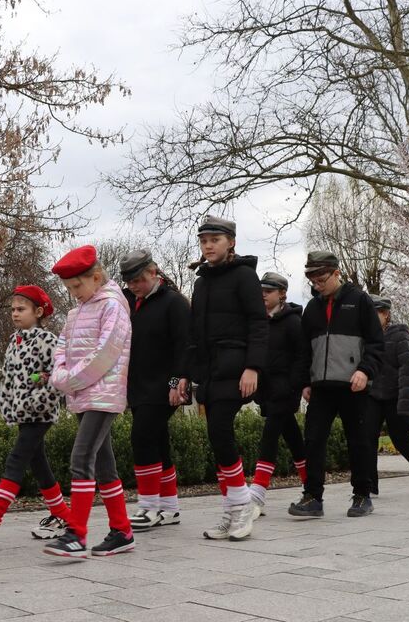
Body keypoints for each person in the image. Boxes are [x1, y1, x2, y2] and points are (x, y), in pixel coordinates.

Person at [0, 285, 71, 547]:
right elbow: (9, 378)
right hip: (22, 412)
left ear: (38, 312)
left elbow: (59, 376)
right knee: (38, 464)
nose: (15, 314)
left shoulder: (47, 340)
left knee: (16, 459)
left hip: (40, 412)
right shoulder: (14, 341)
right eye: (13, 310)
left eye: (21, 309)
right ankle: (64, 517)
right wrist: (7, 405)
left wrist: (39, 389)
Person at [43, 245, 135, 558]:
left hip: (103, 394)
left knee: (81, 459)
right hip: (82, 394)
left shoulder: (113, 306)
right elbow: (61, 348)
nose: (74, 293)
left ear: (96, 277)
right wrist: (61, 375)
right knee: (105, 465)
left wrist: (69, 380)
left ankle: (76, 535)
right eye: (69, 288)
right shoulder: (75, 313)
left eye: (77, 286)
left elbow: (105, 353)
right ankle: (122, 531)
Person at [183, 216, 268, 541]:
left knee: (220, 430)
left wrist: (253, 367)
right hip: (209, 371)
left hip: (236, 368)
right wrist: (185, 376)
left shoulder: (245, 276)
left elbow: (258, 323)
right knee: (217, 438)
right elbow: (194, 333)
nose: (208, 246)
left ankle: (243, 505)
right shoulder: (201, 281)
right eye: (203, 240)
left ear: (231, 242)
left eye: (214, 240)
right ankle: (232, 510)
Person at [289, 251, 383, 519]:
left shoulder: (360, 301)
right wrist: (305, 382)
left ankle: (362, 495)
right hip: (321, 387)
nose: (317, 285)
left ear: (336, 273)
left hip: (354, 385)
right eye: (313, 281)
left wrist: (365, 371)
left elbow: (376, 343)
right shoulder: (312, 308)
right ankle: (313, 498)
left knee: (359, 441)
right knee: (313, 441)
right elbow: (304, 350)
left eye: (322, 280)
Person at [120, 249, 190, 531]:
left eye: (138, 280)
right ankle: (170, 508)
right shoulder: (126, 301)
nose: (134, 286)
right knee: (158, 442)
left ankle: (148, 506)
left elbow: (185, 345)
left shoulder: (174, 302)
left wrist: (177, 382)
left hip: (164, 387)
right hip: (137, 385)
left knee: (142, 438)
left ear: (153, 272)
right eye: (129, 281)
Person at [365, 296, 409, 495]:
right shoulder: (366, 336)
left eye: (374, 313)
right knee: (367, 439)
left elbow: (407, 369)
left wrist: (406, 403)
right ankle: (369, 485)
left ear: (385, 314)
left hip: (395, 395)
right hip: (372, 395)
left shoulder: (399, 334)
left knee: (400, 439)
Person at [249, 272, 307, 516]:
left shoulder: (293, 322)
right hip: (267, 390)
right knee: (293, 438)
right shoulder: (258, 321)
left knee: (270, 436)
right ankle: (311, 485)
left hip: (285, 391)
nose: (263, 295)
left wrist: (295, 385)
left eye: (268, 291)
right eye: (261, 290)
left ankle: (257, 494)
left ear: (282, 293)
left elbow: (302, 356)